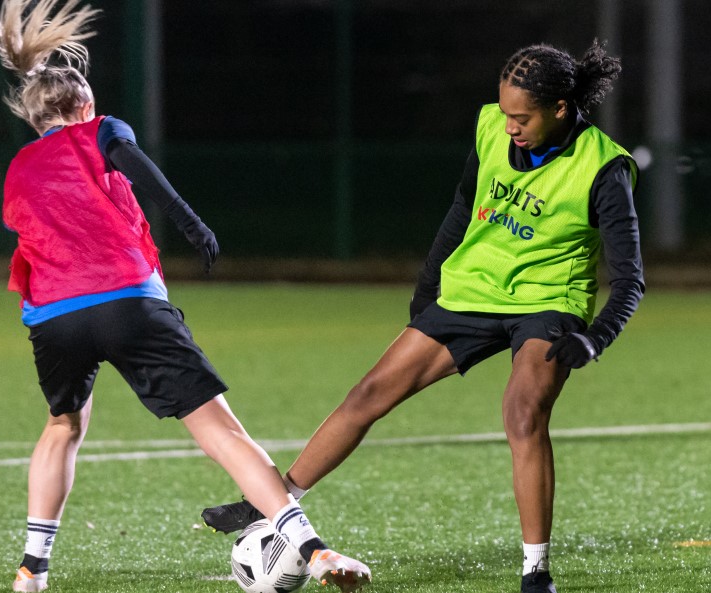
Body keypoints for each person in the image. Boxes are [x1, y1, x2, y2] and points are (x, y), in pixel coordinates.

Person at [200, 40, 643, 593]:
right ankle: (272, 501)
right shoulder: (490, 128)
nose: (509, 127)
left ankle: (536, 573)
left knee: (523, 414)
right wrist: (427, 284)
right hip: (471, 290)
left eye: (521, 118)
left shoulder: (604, 167)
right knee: (367, 395)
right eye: (504, 114)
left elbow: (630, 280)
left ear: (559, 109)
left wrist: (595, 338)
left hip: (546, 300)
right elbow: (463, 205)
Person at [0, 1, 370, 591]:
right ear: (85, 105)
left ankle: (32, 571)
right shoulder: (101, 129)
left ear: (35, 121)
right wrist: (190, 223)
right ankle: (311, 549)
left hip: (53, 317)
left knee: (62, 426)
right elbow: (134, 163)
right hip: (128, 301)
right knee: (219, 430)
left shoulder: (19, 167)